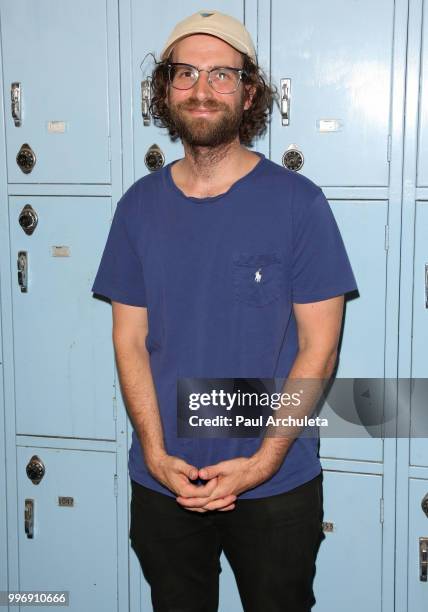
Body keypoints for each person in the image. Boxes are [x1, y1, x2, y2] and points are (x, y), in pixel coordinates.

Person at [92, 10, 358, 612]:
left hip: (276, 484)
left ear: (249, 91)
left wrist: (262, 463)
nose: (202, 89)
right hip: (165, 482)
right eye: (185, 73)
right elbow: (129, 341)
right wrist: (156, 456)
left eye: (221, 74)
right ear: (164, 90)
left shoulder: (299, 205)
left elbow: (321, 348)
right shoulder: (136, 209)